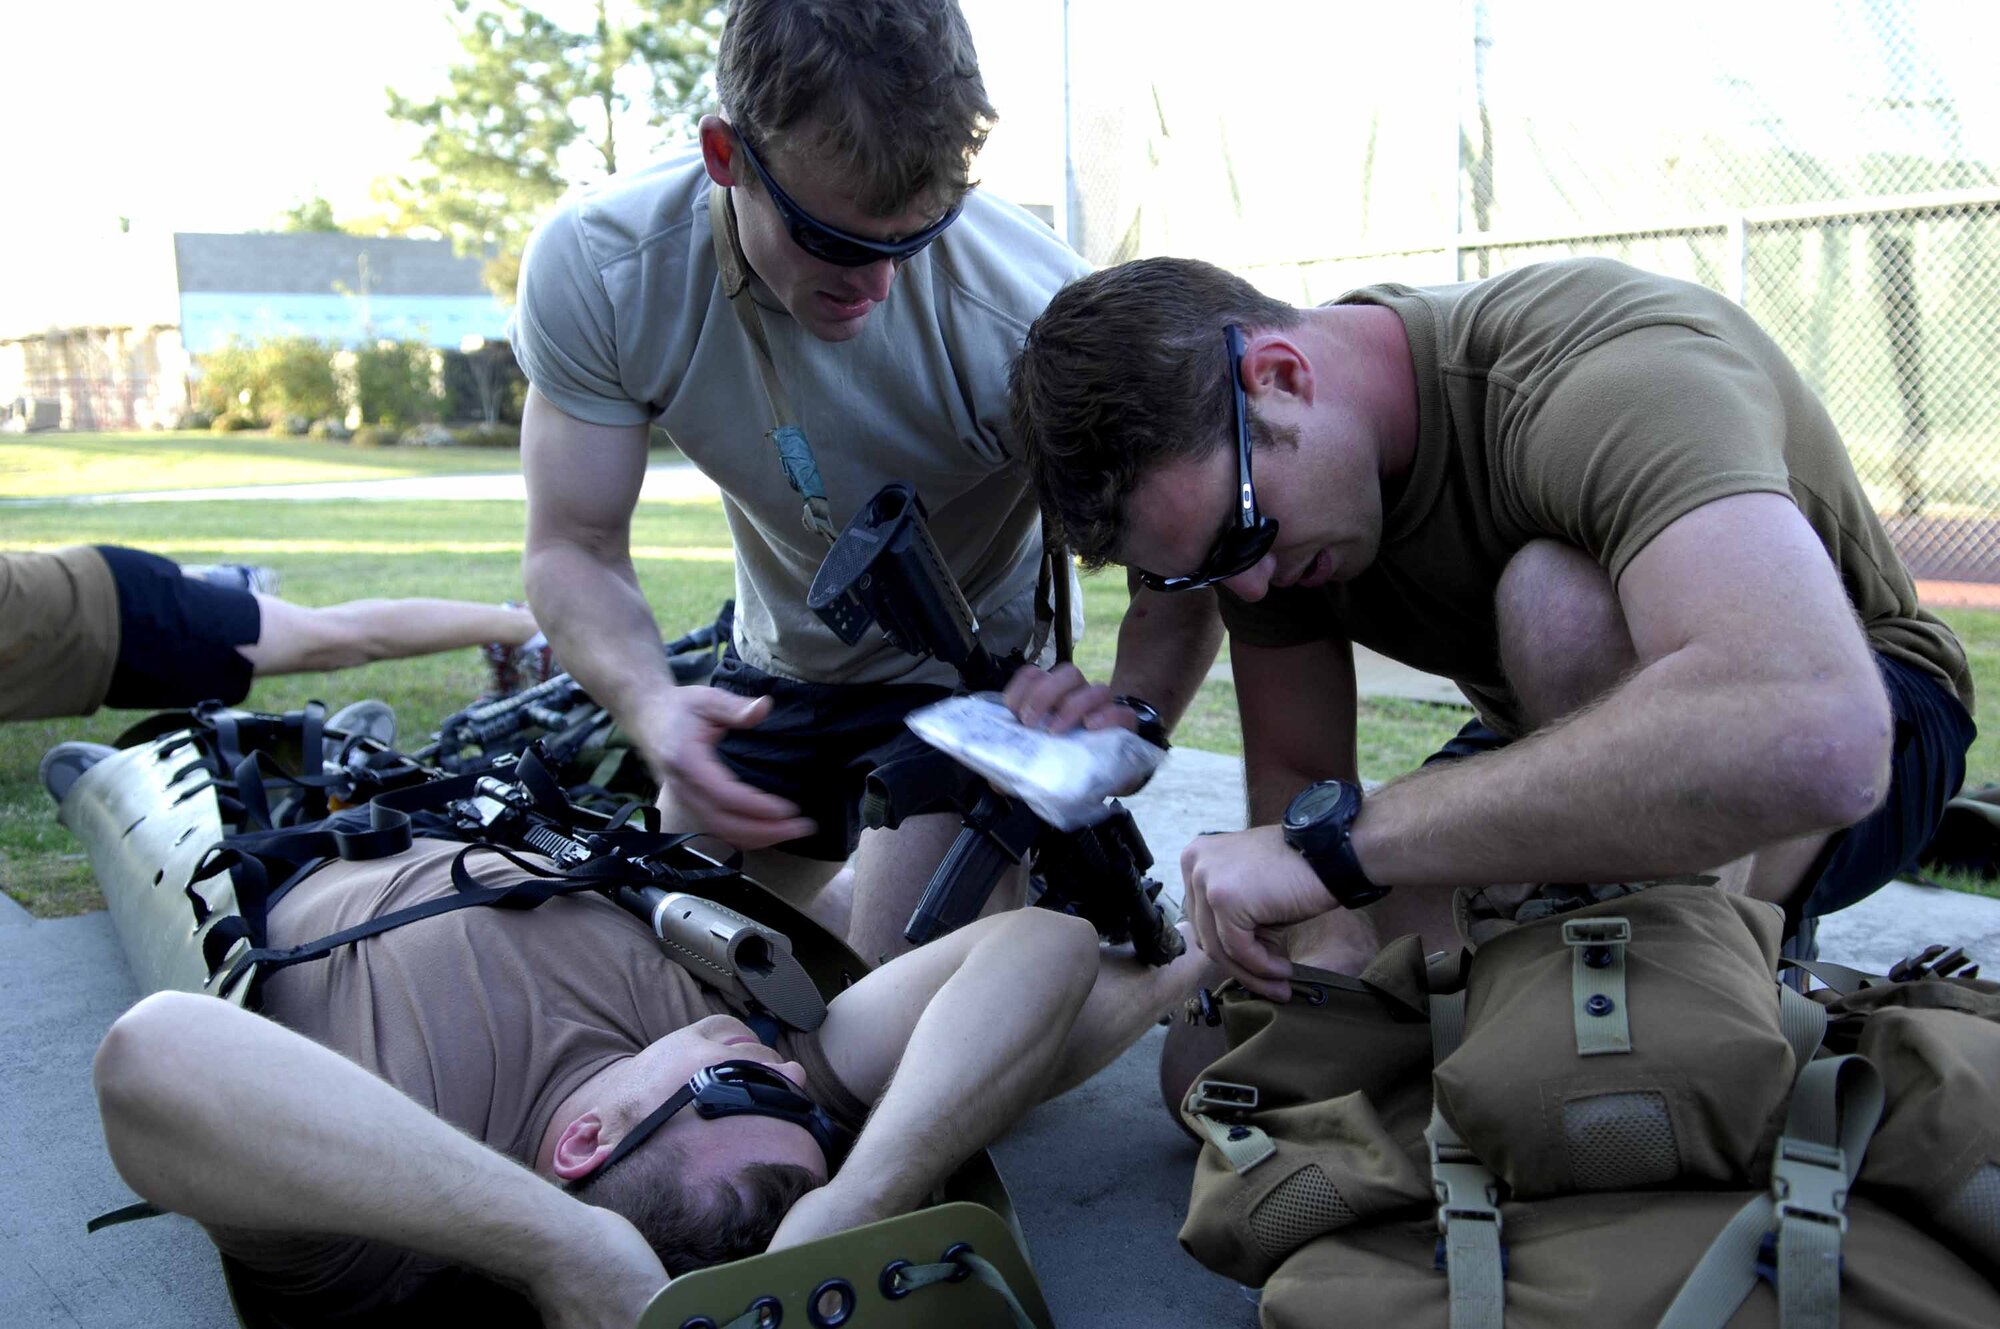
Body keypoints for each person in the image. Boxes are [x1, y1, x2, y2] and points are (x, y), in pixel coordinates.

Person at [1005, 254, 1974, 1002]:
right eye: (1207, 571)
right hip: (1563, 732)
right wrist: (1320, 953)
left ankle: (1699, 972)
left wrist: (1344, 853)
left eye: (1243, 538)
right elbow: (1299, 794)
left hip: (1872, 718)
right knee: (1236, 1066)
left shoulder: (1599, 375)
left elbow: (1817, 736)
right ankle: (1599, 948)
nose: (1250, 589)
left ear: (1283, 375)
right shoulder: (1273, 498)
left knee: (1555, 606)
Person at [512, 0, 1220, 960]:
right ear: (728, 157)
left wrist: (1130, 713)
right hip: (777, 668)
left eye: (916, 235)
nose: (878, 284)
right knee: (658, 955)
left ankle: (1132, 974)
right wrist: (649, 702)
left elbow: (1189, 552)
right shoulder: (604, 269)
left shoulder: (1030, 314)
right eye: (838, 241)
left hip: (970, 682)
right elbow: (573, 547)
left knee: (892, 1016)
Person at [92, 834, 1201, 1325]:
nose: (773, 1058)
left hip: (326, 845)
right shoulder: (748, 1078)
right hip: (497, 828)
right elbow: (1041, 945)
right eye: (790, 1098)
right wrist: (860, 1199)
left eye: (757, 1092)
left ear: (580, 1148)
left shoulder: (371, 1208)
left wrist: (557, 1246)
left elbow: (150, 1057)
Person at [4, 545, 544, 734]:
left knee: (333, 639)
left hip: (115, 614)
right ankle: (223, 584)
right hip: (92, 631)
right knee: (330, 634)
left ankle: (526, 629)